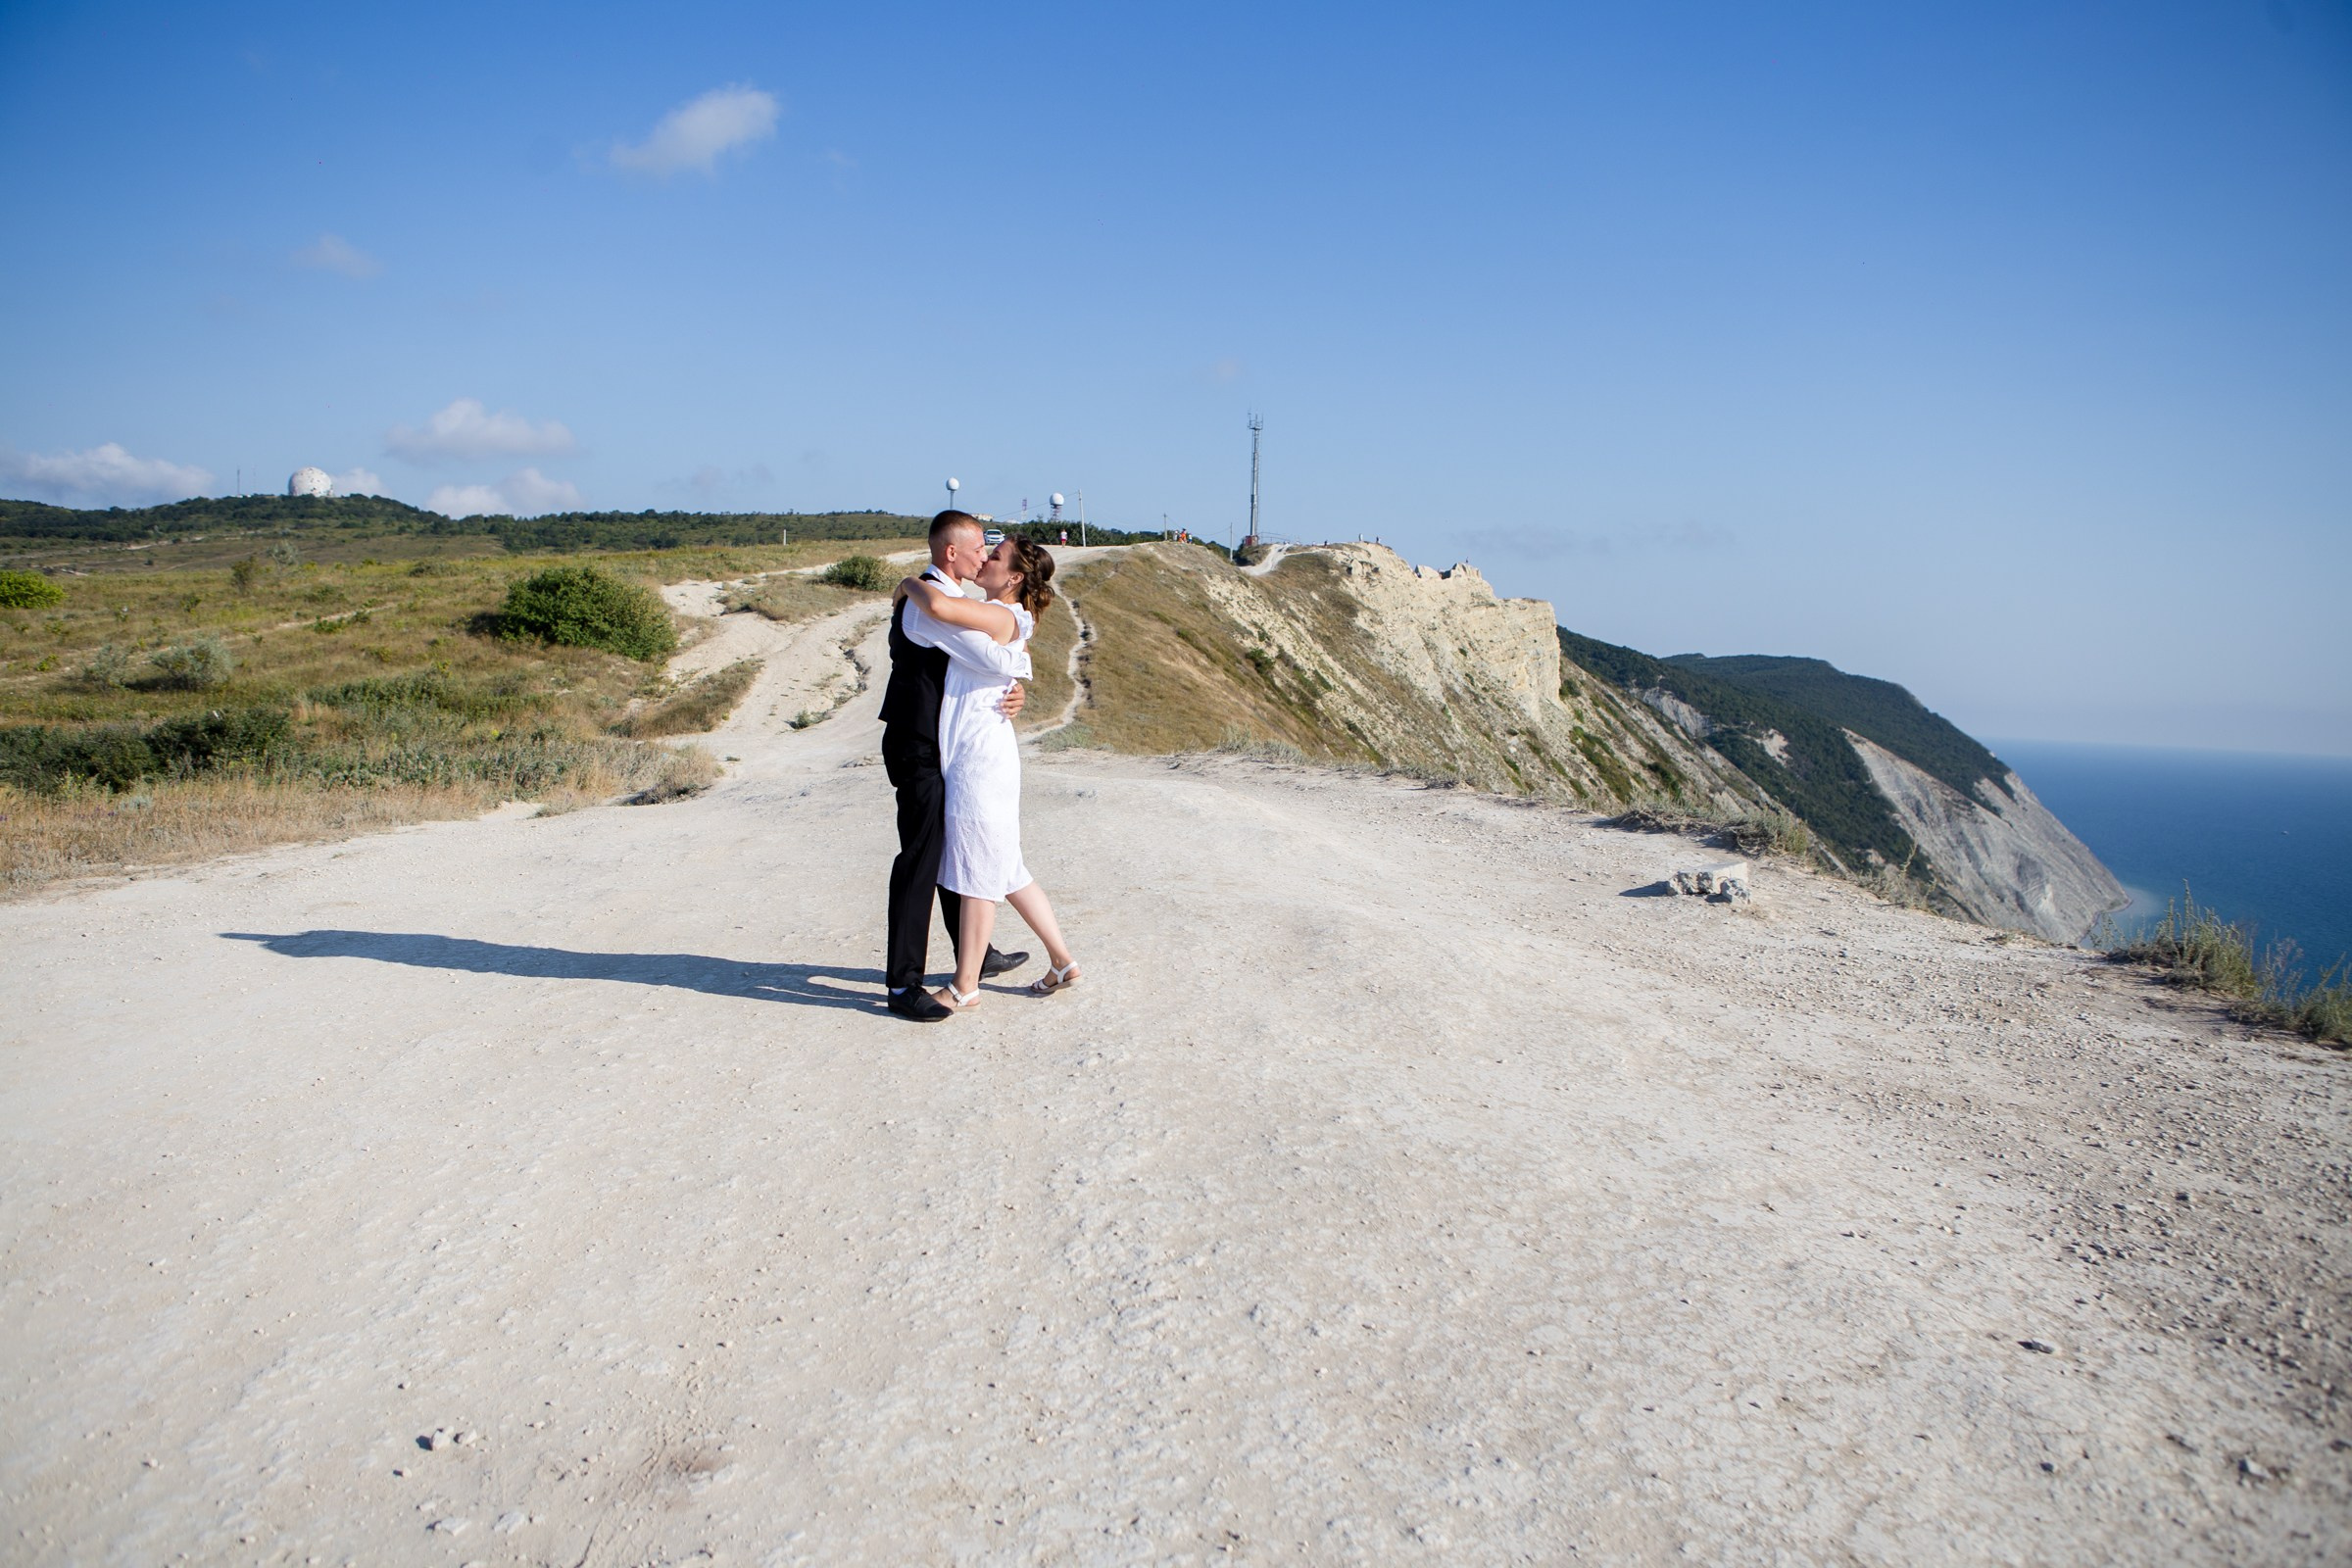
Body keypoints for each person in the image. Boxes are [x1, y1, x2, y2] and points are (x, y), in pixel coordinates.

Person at [898, 534, 1084, 1010]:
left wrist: (905, 583)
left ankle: (965, 986)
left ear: (1015, 577)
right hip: (983, 752)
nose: (986, 559)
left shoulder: (1003, 615)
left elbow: (937, 608)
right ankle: (1062, 961)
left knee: (979, 870)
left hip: (978, 760)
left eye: (996, 557)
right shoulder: (1004, 617)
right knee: (1009, 870)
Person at [878, 512, 1030, 1023]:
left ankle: (977, 954)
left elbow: (986, 663)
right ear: (951, 554)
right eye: (977, 552)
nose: (984, 558)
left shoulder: (940, 595)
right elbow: (993, 658)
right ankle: (903, 984)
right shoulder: (928, 602)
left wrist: (1016, 692)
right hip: (917, 744)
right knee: (920, 858)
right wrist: (1018, 671)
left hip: (939, 744)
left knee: (950, 850)